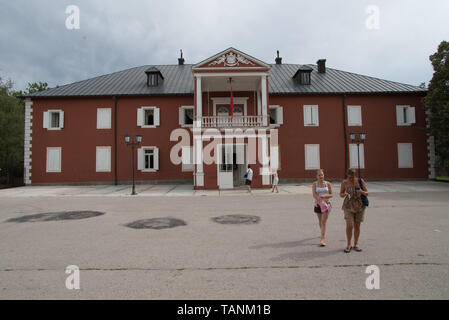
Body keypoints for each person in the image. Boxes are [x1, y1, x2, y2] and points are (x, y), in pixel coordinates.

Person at [340, 169, 369, 253]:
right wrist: (344, 194)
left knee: (357, 226)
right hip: (348, 206)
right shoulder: (344, 182)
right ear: (347, 176)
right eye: (349, 177)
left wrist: (361, 191)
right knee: (350, 225)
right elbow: (341, 194)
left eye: (352, 177)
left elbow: (367, 193)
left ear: (355, 176)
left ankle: (356, 244)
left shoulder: (360, 181)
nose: (350, 179)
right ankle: (349, 244)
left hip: (359, 206)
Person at [312, 169, 333, 247]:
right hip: (318, 204)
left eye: (322, 175)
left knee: (323, 221)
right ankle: (322, 233)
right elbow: (314, 194)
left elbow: (331, 194)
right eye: (319, 175)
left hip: (326, 205)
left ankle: (323, 239)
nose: (321, 176)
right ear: (316, 176)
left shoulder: (328, 184)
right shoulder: (314, 184)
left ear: (324, 175)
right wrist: (320, 201)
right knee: (320, 221)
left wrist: (325, 196)